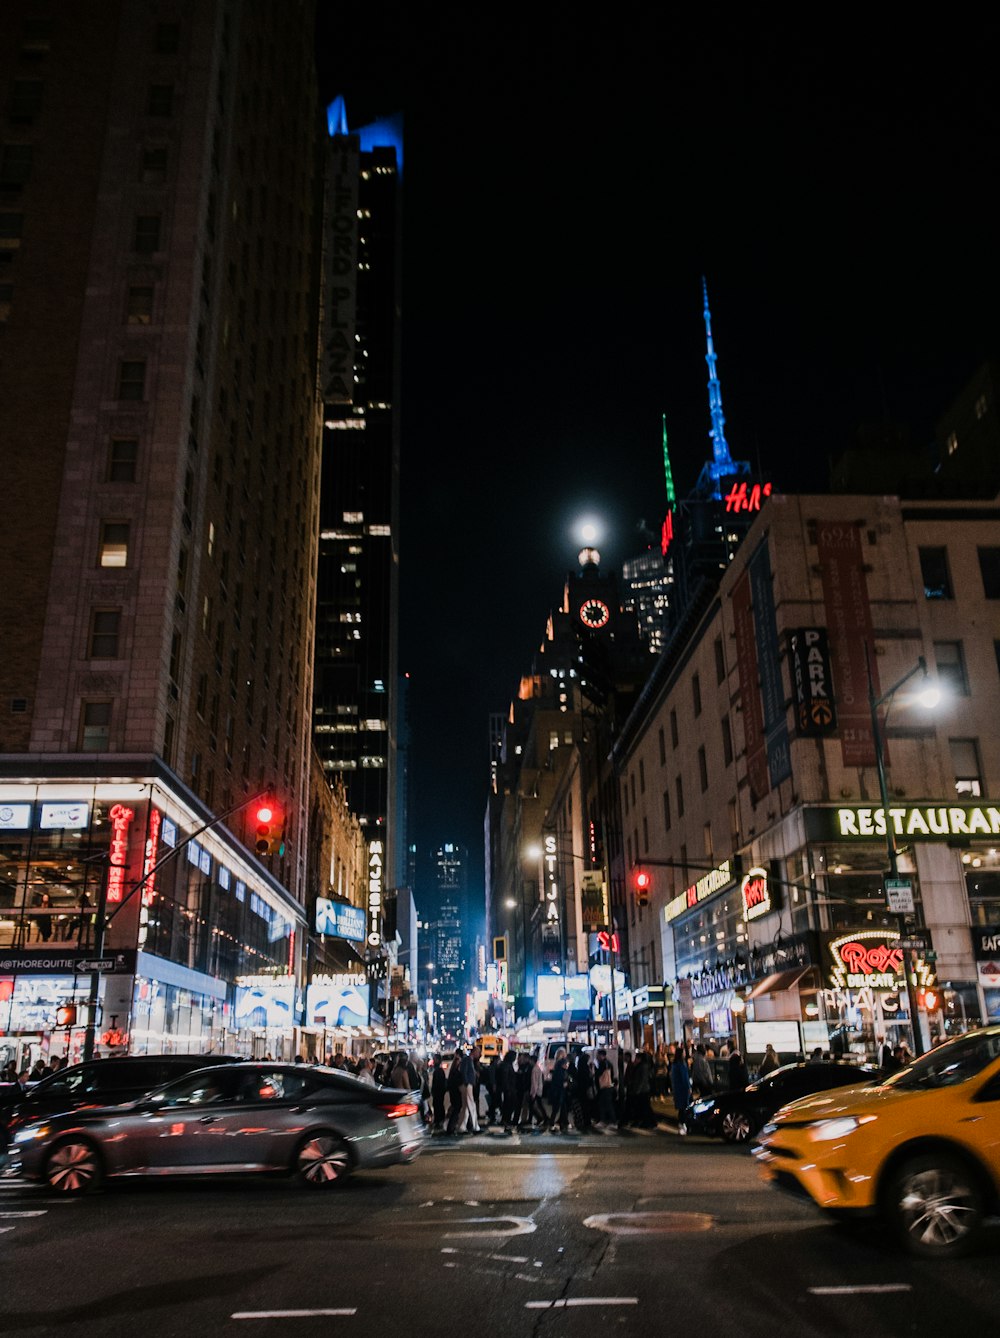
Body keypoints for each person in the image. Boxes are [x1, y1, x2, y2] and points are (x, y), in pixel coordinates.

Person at [669, 1047, 692, 1131]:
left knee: (681, 1108)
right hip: (683, 1089)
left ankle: (682, 1124)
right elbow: (684, 1078)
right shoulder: (681, 1064)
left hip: (678, 1089)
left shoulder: (675, 1064)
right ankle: (683, 1124)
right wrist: (688, 1087)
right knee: (684, 1107)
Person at [594, 1048, 617, 1128]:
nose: (596, 1057)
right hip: (608, 1086)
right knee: (604, 1104)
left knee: (607, 1104)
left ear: (601, 1055)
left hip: (605, 1086)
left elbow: (599, 1074)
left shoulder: (603, 1063)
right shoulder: (609, 1063)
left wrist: (594, 1070)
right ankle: (605, 1121)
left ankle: (612, 1122)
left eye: (597, 1055)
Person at [549, 1049, 571, 1132]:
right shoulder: (561, 1065)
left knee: (561, 1107)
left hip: (557, 1089)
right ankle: (553, 1122)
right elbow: (561, 1077)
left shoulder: (557, 1064)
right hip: (560, 1089)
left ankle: (563, 1121)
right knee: (558, 1106)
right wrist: (564, 1082)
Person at [431, 1055, 448, 1131]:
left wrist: (435, 1091)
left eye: (434, 1059)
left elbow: (438, 1083)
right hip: (439, 1092)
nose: (433, 1061)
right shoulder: (438, 1070)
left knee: (438, 1106)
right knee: (438, 1105)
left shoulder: (438, 1071)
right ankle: (439, 1120)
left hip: (438, 1092)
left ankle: (439, 1120)